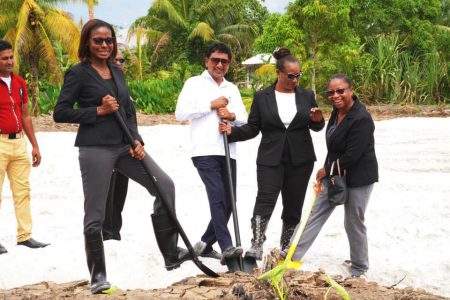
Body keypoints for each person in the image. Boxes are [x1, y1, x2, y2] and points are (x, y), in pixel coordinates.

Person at [53, 19, 189, 294]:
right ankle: (98, 276)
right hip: (95, 149)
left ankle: (171, 253)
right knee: (95, 213)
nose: (104, 45)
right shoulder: (78, 73)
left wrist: (137, 139)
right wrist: (97, 112)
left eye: (109, 40)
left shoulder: (116, 71)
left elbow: (128, 110)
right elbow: (60, 113)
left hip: (124, 146)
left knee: (164, 186)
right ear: (87, 44)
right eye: (98, 41)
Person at [219, 47, 325, 261]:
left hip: (301, 159)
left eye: (298, 75)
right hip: (270, 158)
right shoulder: (262, 96)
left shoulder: (307, 95)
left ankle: (286, 246)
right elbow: (253, 127)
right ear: (279, 73)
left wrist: (318, 120)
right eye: (291, 76)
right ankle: (257, 243)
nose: (295, 80)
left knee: (293, 204)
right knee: (265, 199)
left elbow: (316, 126)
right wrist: (232, 133)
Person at [283, 73, 379, 278]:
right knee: (314, 214)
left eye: (340, 91)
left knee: (353, 221)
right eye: (331, 92)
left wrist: (326, 170)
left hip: (359, 177)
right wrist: (327, 170)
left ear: (351, 90)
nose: (335, 95)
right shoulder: (337, 111)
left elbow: (353, 155)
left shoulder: (362, 118)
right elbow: (334, 146)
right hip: (335, 173)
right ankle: (290, 256)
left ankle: (360, 268)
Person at [175, 42, 248, 266]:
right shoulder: (194, 84)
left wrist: (231, 116)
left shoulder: (232, 88)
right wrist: (211, 105)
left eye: (224, 61)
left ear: (229, 64)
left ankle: (206, 244)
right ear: (206, 61)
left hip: (228, 152)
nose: (219, 64)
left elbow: (244, 117)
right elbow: (180, 113)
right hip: (204, 151)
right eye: (215, 60)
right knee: (217, 197)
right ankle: (227, 247)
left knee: (230, 203)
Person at [0, 39, 49, 254]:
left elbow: (26, 115)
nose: (9, 61)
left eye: (11, 57)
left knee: (22, 191)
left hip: (19, 143)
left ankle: (25, 236)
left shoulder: (19, 83)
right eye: (4, 59)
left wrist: (35, 145)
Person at [102, 50, 130, 241]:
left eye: (122, 60)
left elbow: (131, 116)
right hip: (107, 147)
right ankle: (106, 232)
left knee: (120, 192)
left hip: (126, 146)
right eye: (116, 60)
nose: (120, 63)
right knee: (107, 193)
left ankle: (115, 231)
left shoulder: (122, 86)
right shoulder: (102, 85)